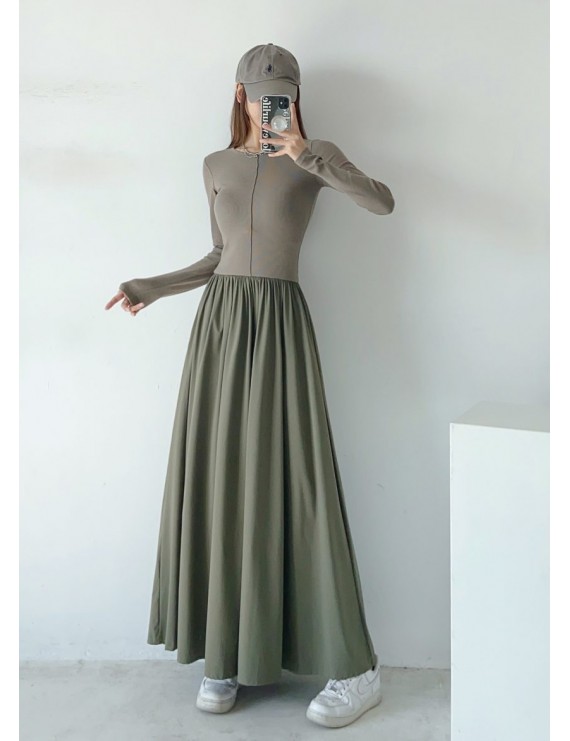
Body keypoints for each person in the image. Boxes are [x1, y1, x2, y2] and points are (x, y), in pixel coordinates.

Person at [105, 43, 395, 729]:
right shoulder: (215, 165)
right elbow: (219, 253)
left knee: (300, 480)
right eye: (265, 95)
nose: (275, 106)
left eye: (285, 95)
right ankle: (227, 649)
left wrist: (306, 154)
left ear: (296, 97)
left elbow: (382, 202)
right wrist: (150, 286)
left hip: (282, 326)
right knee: (221, 478)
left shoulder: (314, 156)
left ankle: (358, 667)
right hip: (222, 330)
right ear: (241, 95)